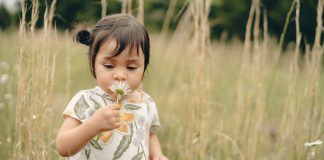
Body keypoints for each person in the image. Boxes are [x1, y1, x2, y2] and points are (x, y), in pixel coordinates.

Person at [56, 14, 168, 160]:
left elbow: (150, 135)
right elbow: (63, 147)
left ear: (144, 66)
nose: (120, 75)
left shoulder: (146, 103)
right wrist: (93, 125)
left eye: (132, 67)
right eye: (109, 66)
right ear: (93, 63)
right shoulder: (86, 100)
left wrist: (158, 155)